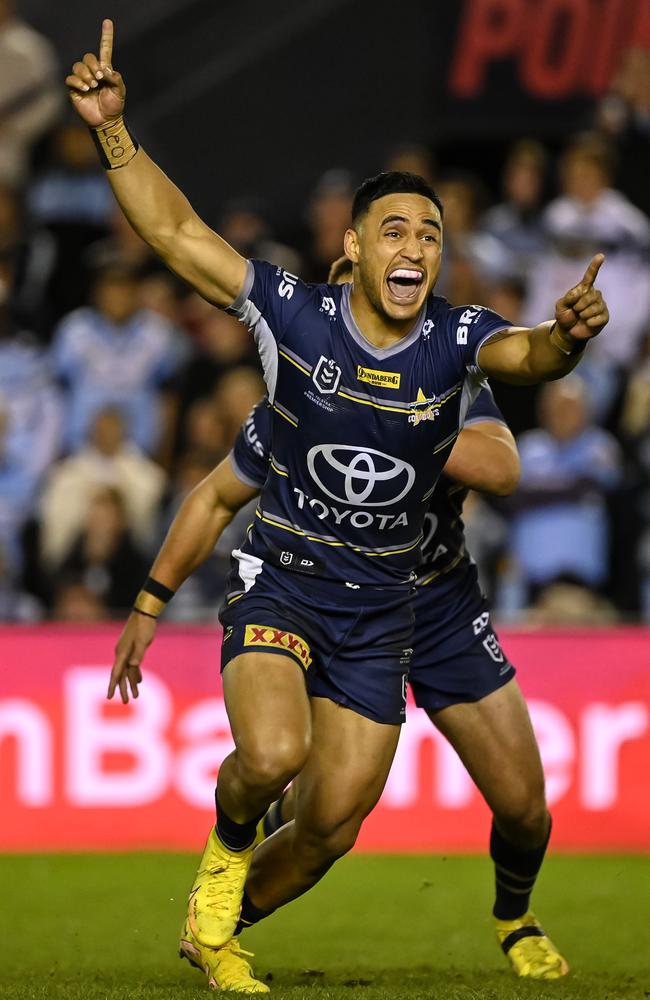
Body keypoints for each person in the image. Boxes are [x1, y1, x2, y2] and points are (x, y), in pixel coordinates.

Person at [67, 17, 609, 990]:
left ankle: (511, 914)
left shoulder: (453, 346)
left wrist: (563, 341)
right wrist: (114, 130)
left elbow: (522, 377)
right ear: (352, 249)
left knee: (442, 814)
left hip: (418, 600)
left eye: (430, 235)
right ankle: (219, 891)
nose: (415, 247)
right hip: (290, 580)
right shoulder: (293, 327)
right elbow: (178, 233)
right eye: (394, 230)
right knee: (273, 757)